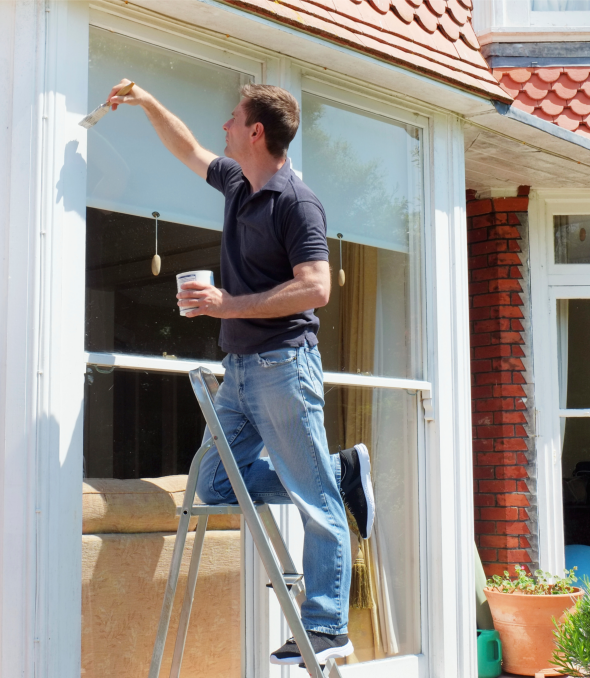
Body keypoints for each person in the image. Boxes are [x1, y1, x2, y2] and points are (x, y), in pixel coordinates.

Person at [107, 79, 375, 667]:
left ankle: (328, 626)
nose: (223, 128)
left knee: (315, 504)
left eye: (232, 119)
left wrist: (226, 304)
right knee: (214, 485)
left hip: (283, 366)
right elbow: (186, 149)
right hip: (240, 373)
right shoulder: (236, 183)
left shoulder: (297, 202)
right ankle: (338, 473)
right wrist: (149, 100)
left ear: (257, 131)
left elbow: (317, 287)